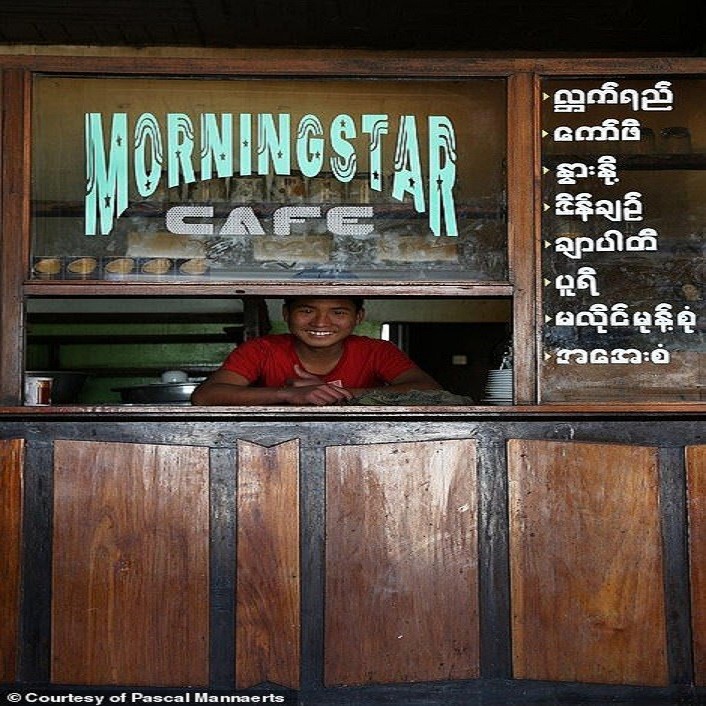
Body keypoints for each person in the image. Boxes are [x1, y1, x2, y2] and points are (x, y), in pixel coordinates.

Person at [190, 296, 442, 406]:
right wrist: (287, 395)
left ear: (359, 317)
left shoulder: (376, 350)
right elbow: (205, 396)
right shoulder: (262, 349)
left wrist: (335, 394)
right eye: (307, 311)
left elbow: (429, 390)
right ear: (286, 314)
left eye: (338, 312)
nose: (321, 323)